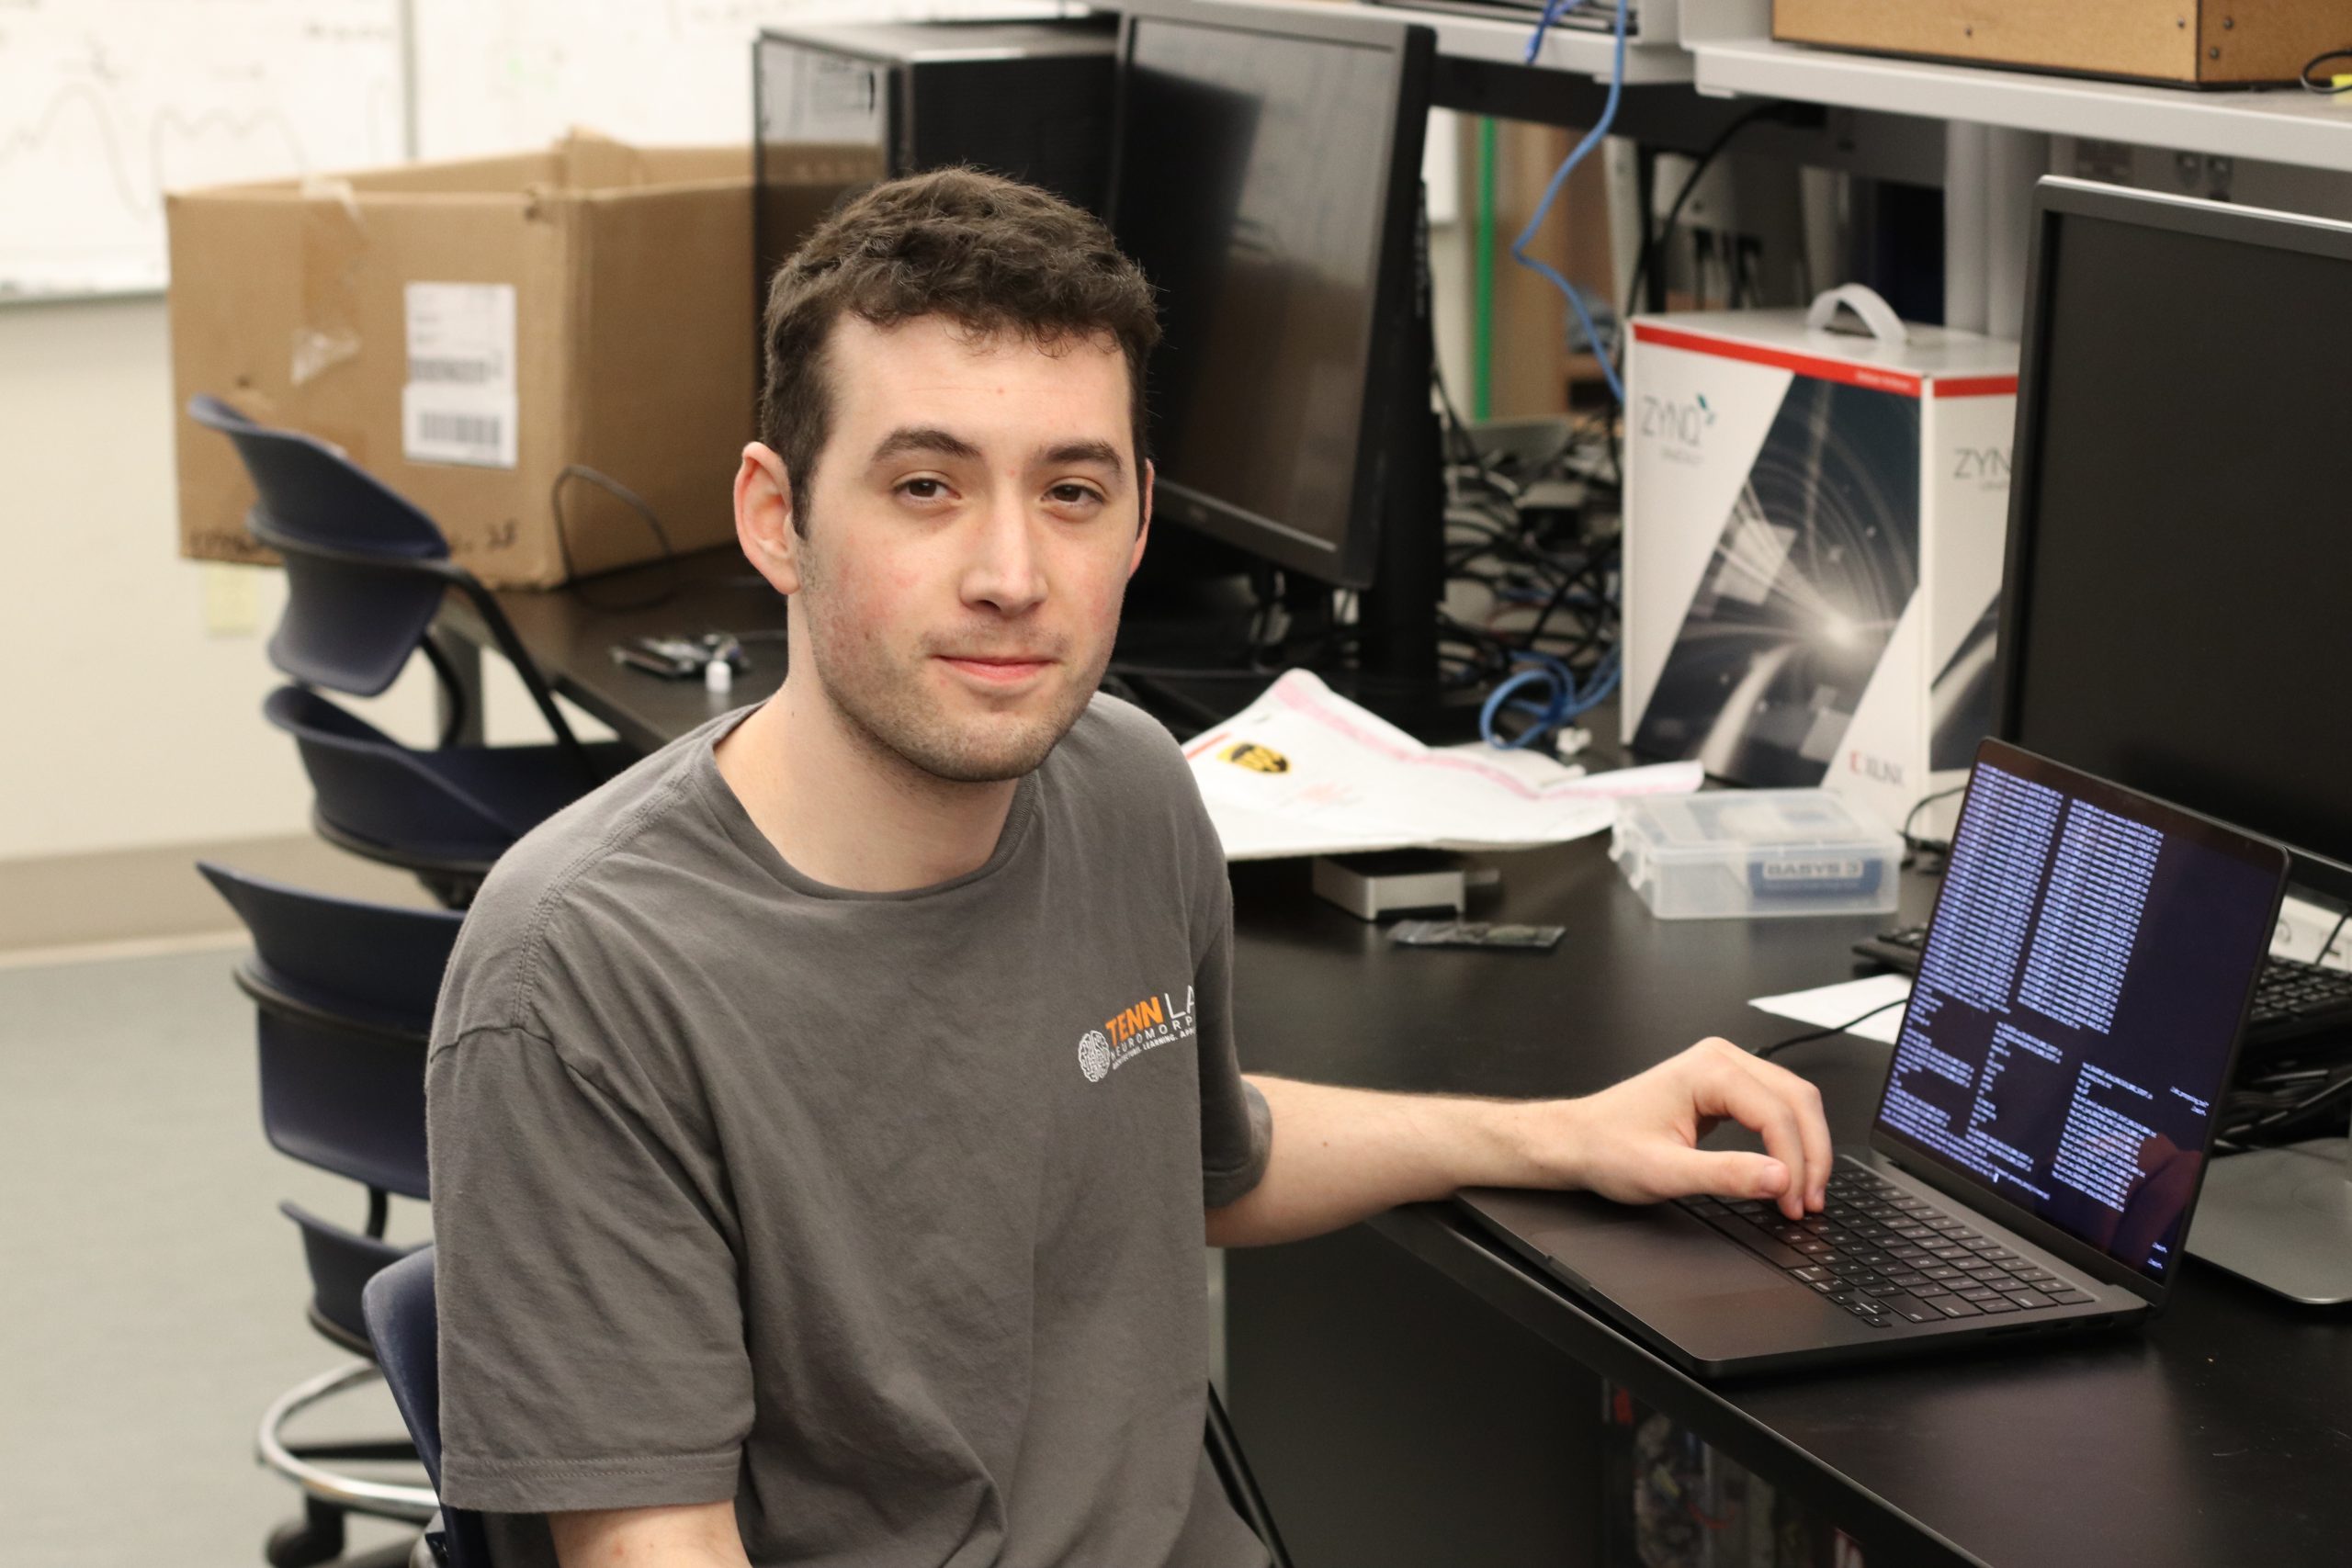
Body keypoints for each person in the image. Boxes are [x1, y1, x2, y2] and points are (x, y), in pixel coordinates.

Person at [425, 168, 1833, 1568]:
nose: (1012, 573)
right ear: (776, 516)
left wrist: (1559, 1134)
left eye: (1073, 491)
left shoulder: (1127, 786)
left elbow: (1195, 1153)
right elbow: (650, 1551)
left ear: (1142, 518)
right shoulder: (580, 976)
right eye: (926, 486)